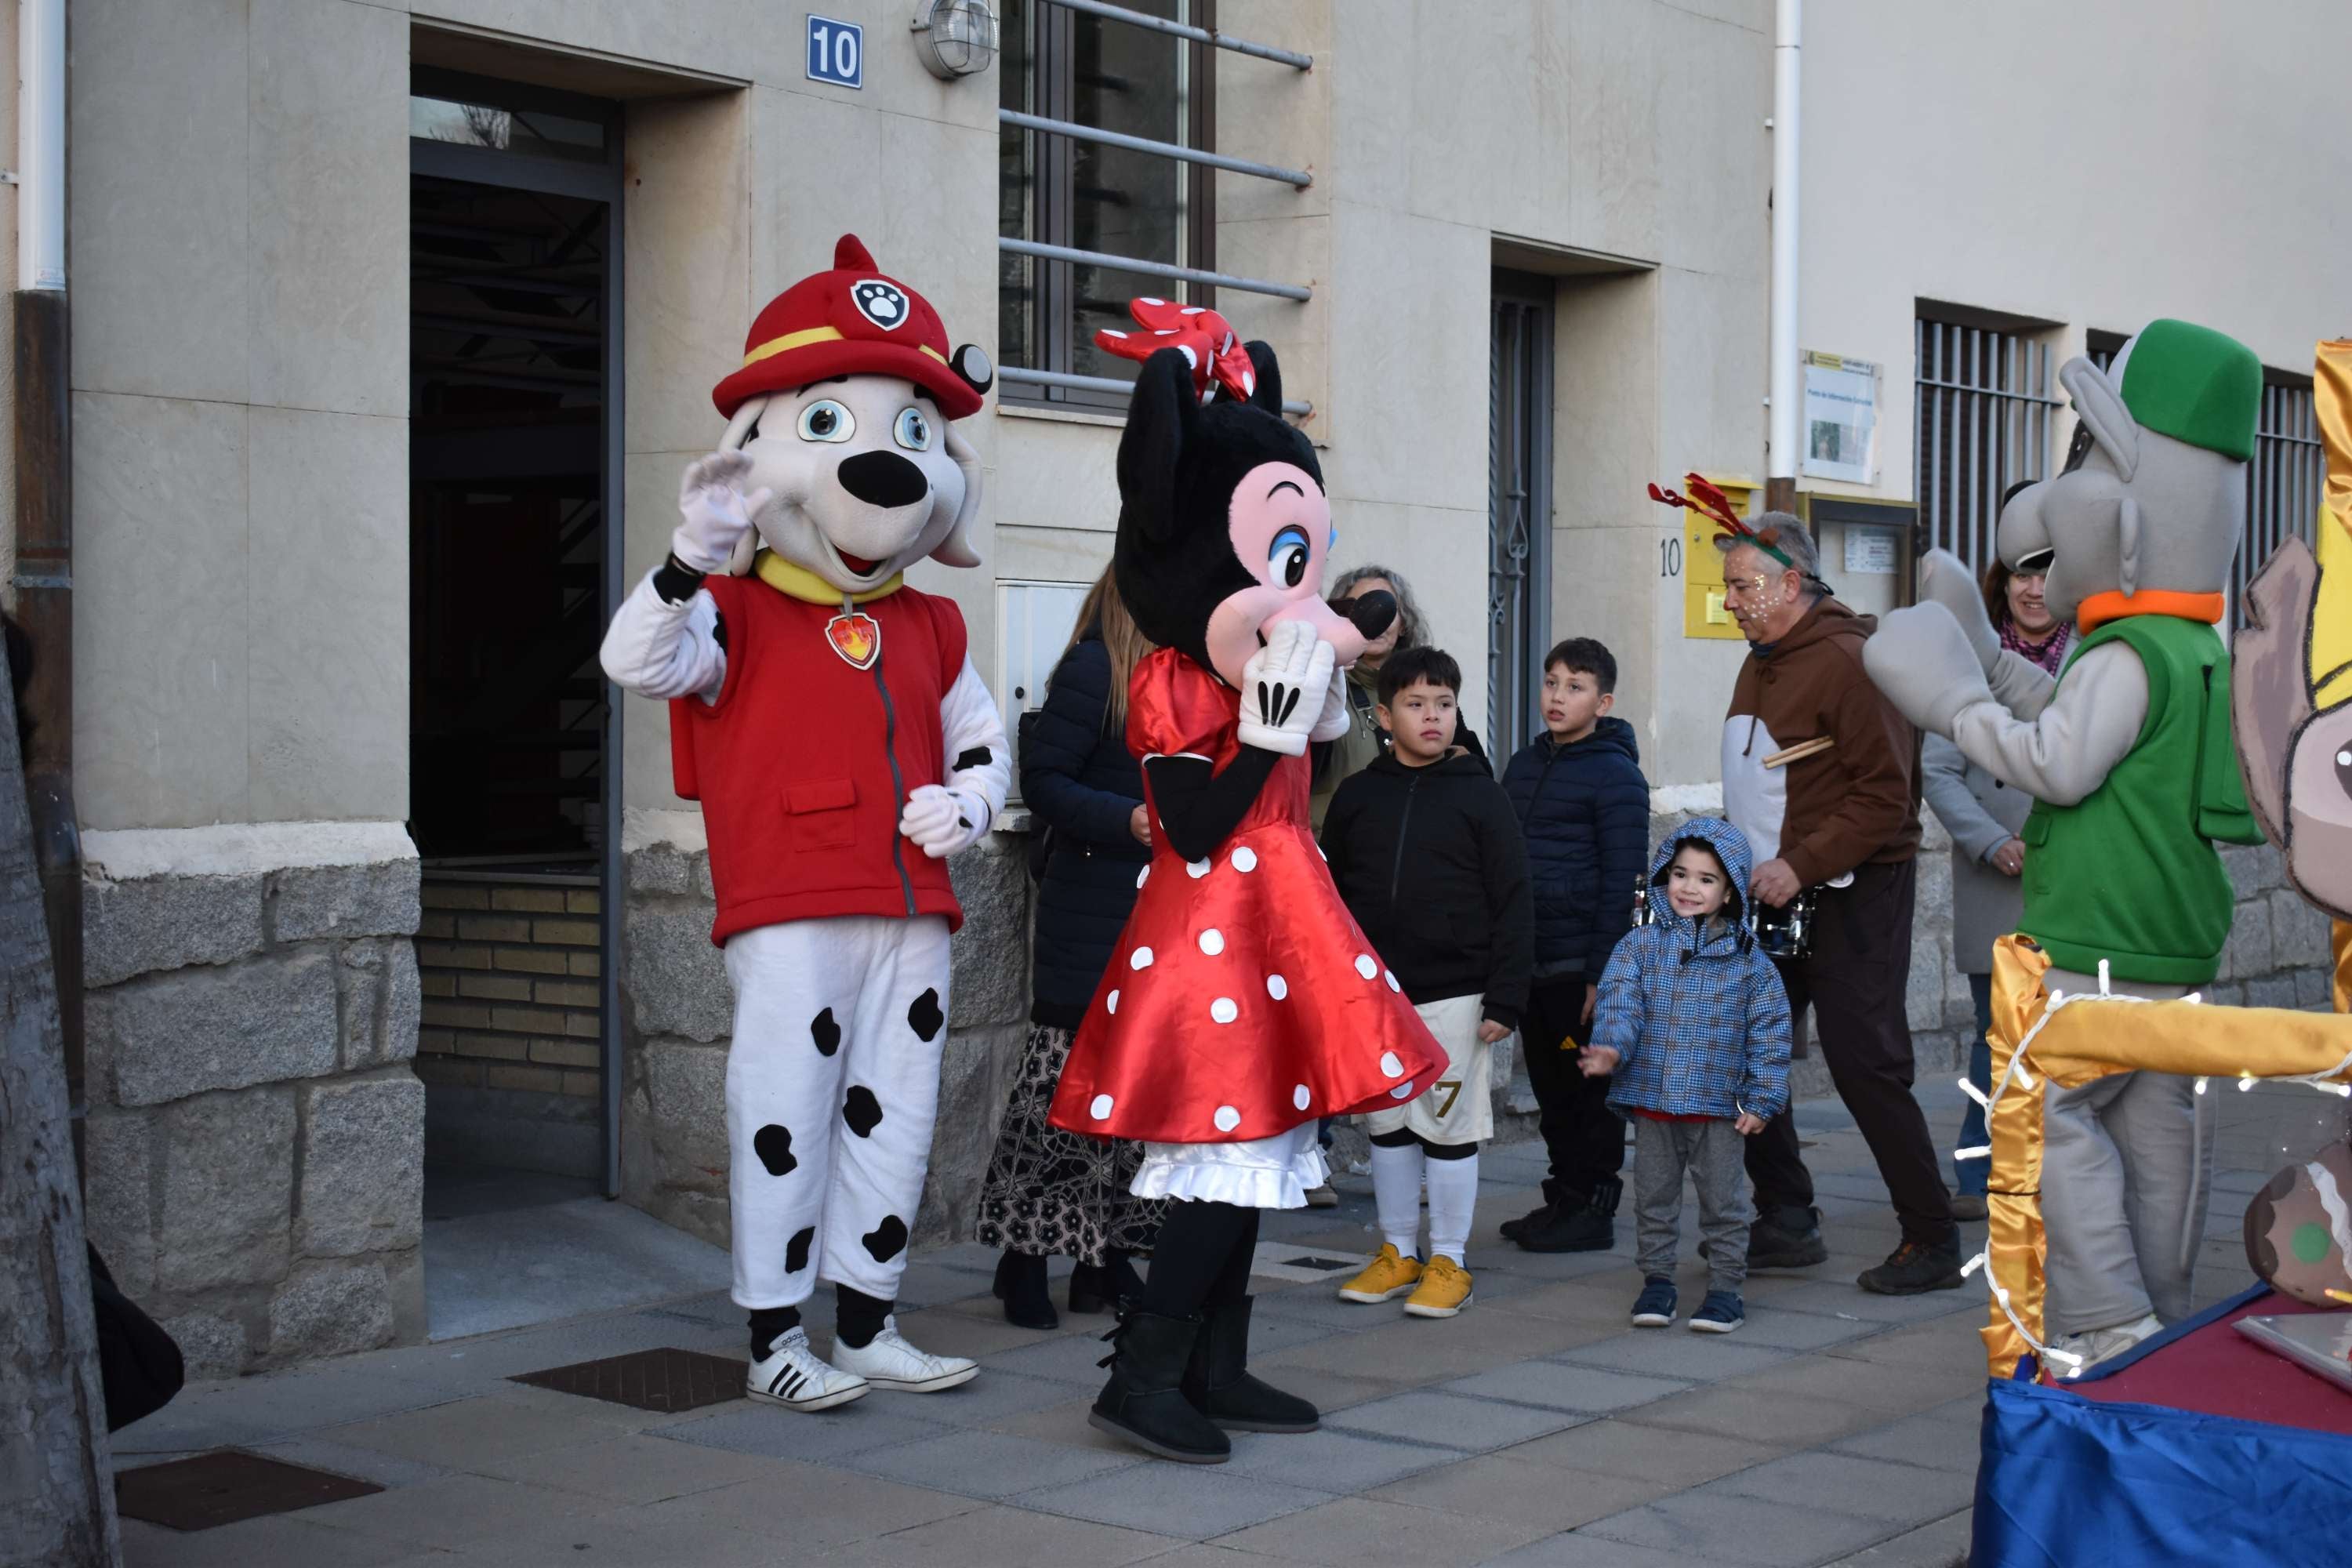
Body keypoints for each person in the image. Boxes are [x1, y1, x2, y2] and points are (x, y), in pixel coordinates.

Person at [601, 236, 1007, 1411]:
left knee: (898, 1113)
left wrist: (971, 802)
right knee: (783, 1113)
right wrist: (689, 556)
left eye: (911, 435)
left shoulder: (932, 625)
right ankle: (776, 1335)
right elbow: (634, 658)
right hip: (789, 904)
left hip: (913, 907)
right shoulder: (727, 611)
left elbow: (981, 739)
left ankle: (870, 1318)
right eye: (830, 426)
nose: (884, 470)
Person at [1047, 321, 1446, 1465]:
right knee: (1226, 1158)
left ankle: (1216, 1364)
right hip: (1211, 933)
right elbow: (1191, 827)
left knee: (1260, 1150)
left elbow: (1286, 795)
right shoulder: (1175, 681)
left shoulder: (1272, 670)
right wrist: (1269, 725)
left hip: (1273, 921)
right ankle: (1144, 1373)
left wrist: (1292, 708)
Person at [1701, 507, 1962, 1294]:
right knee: (1743, 1050)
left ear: (1791, 581)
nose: (1732, 602)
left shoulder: (1854, 661)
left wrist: (1801, 863)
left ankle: (1932, 1238)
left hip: (1853, 894)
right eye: (1727, 588)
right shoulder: (1763, 657)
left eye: (1743, 586)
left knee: (1865, 1065)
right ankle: (1786, 1216)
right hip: (1770, 896)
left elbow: (1888, 800)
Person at [975, 568, 1165, 1329]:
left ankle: (1102, 1258)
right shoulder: (1094, 666)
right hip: (1089, 916)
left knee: (1130, 1096)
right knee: (1058, 1095)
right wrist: (1128, 820)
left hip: (1150, 920)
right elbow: (1046, 780)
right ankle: (1022, 1256)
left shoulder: (1177, 677)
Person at [1323, 646, 1534, 1319]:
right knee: (1387, 1125)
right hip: (1375, 995)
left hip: (1458, 992)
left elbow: (1513, 897)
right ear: (1385, 715)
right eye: (1416, 705)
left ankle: (1449, 1259)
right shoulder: (1359, 796)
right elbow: (1332, 898)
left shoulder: (1480, 794)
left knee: (1449, 1127)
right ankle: (1396, 1252)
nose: (1433, 716)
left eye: (1444, 704)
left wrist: (1506, 994)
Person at [1578, 818, 1791, 1334]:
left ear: (1731, 890)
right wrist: (1610, 1048)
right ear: (1662, 878)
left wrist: (1762, 1099)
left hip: (1718, 1108)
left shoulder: (1751, 965)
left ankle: (1725, 1291)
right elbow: (1620, 1002)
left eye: (1706, 879)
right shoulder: (1638, 948)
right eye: (1679, 874)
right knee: (1653, 1200)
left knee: (1725, 1204)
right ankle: (1657, 1282)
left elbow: (1770, 1036)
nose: (1689, 888)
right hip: (1652, 1100)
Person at [1918, 548, 2062, 1222]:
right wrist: (1992, 842)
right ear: (1999, 586)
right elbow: (1939, 772)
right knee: (1995, 1035)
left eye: (2047, 576)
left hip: (2078, 875)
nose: (2035, 591)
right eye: (2022, 576)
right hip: (1998, 876)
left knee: (2076, 1029)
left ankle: (2061, 1169)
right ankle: (1975, 1176)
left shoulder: (2093, 659)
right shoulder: (1968, 662)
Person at [1497, 637, 1650, 1254]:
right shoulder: (1525, 764)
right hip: (1530, 957)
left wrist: (1603, 974)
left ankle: (1593, 1206)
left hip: (1578, 965)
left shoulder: (1617, 775)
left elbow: (1625, 881)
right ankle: (1563, 1196)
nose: (1558, 697)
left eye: (1576, 687)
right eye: (1552, 682)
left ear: (1603, 701)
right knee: (1550, 1086)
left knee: (1585, 1090)